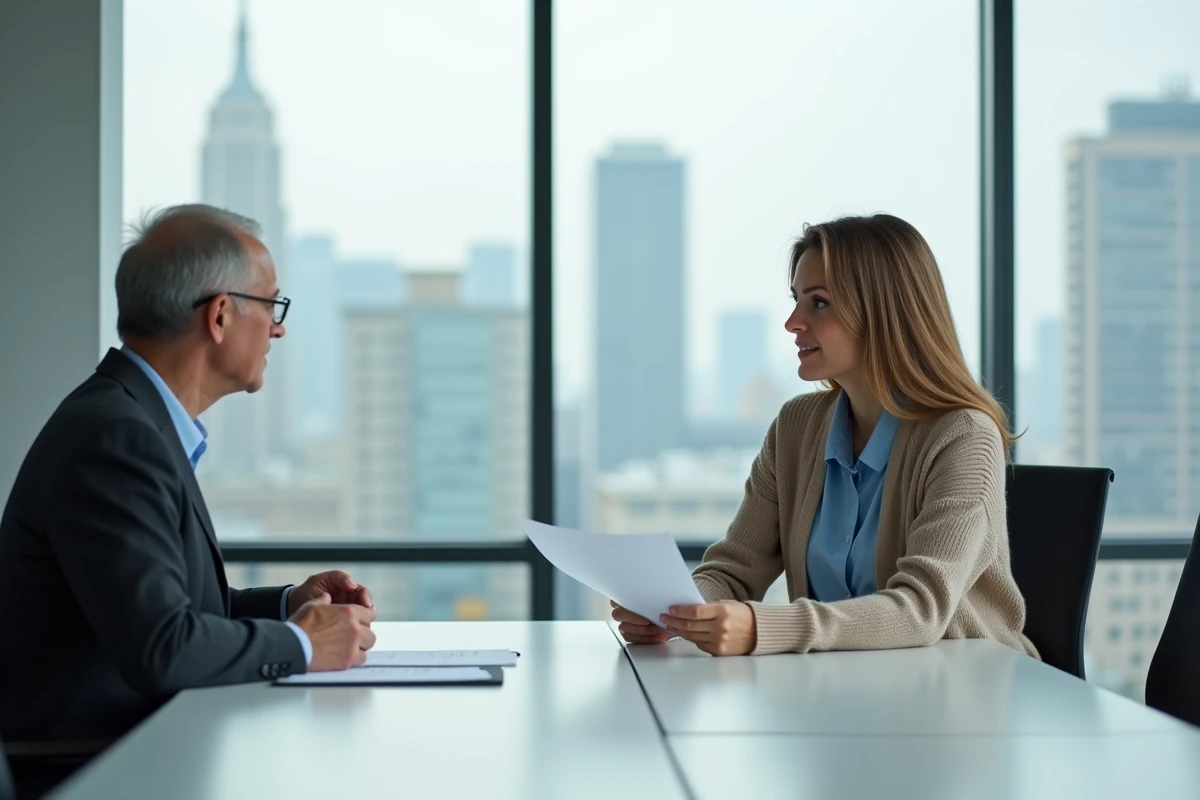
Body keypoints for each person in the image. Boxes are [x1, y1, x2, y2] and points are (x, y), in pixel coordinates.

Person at [0, 205, 378, 747]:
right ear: (220, 315)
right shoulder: (116, 439)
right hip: (92, 772)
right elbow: (163, 648)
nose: (279, 328)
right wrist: (301, 642)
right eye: (271, 305)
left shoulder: (132, 421)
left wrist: (288, 605)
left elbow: (175, 614)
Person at [612, 214, 1037, 658]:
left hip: (966, 696)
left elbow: (921, 608)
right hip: (840, 692)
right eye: (796, 300)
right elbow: (734, 571)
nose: (793, 322)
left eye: (818, 303)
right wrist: (676, 611)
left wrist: (762, 627)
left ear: (884, 312)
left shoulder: (963, 438)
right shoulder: (796, 428)